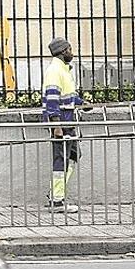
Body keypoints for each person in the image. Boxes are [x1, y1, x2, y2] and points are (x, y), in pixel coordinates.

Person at [42, 37, 82, 213]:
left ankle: (56, 194)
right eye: (70, 49)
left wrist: (82, 103)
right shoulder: (55, 71)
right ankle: (57, 201)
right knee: (61, 159)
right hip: (62, 123)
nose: (72, 52)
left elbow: (68, 95)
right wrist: (56, 125)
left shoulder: (64, 70)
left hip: (68, 121)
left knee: (73, 155)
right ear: (63, 51)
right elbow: (52, 99)